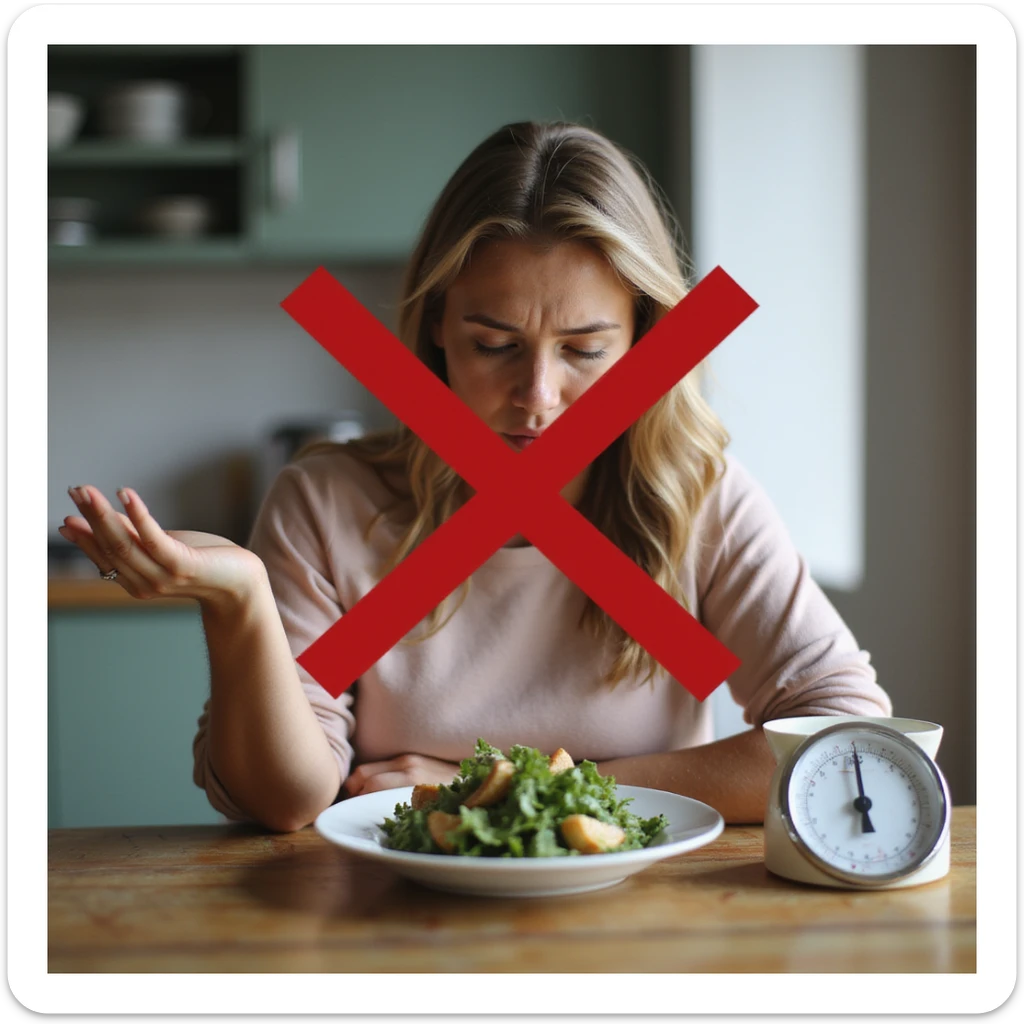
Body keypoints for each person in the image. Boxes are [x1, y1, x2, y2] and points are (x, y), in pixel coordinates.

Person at [58, 121, 892, 834]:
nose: (536, 397)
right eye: (494, 344)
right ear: (433, 332)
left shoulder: (698, 499)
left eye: (585, 351)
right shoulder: (327, 502)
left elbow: (847, 734)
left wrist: (512, 791)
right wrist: (238, 602)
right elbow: (284, 803)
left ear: (647, 342)